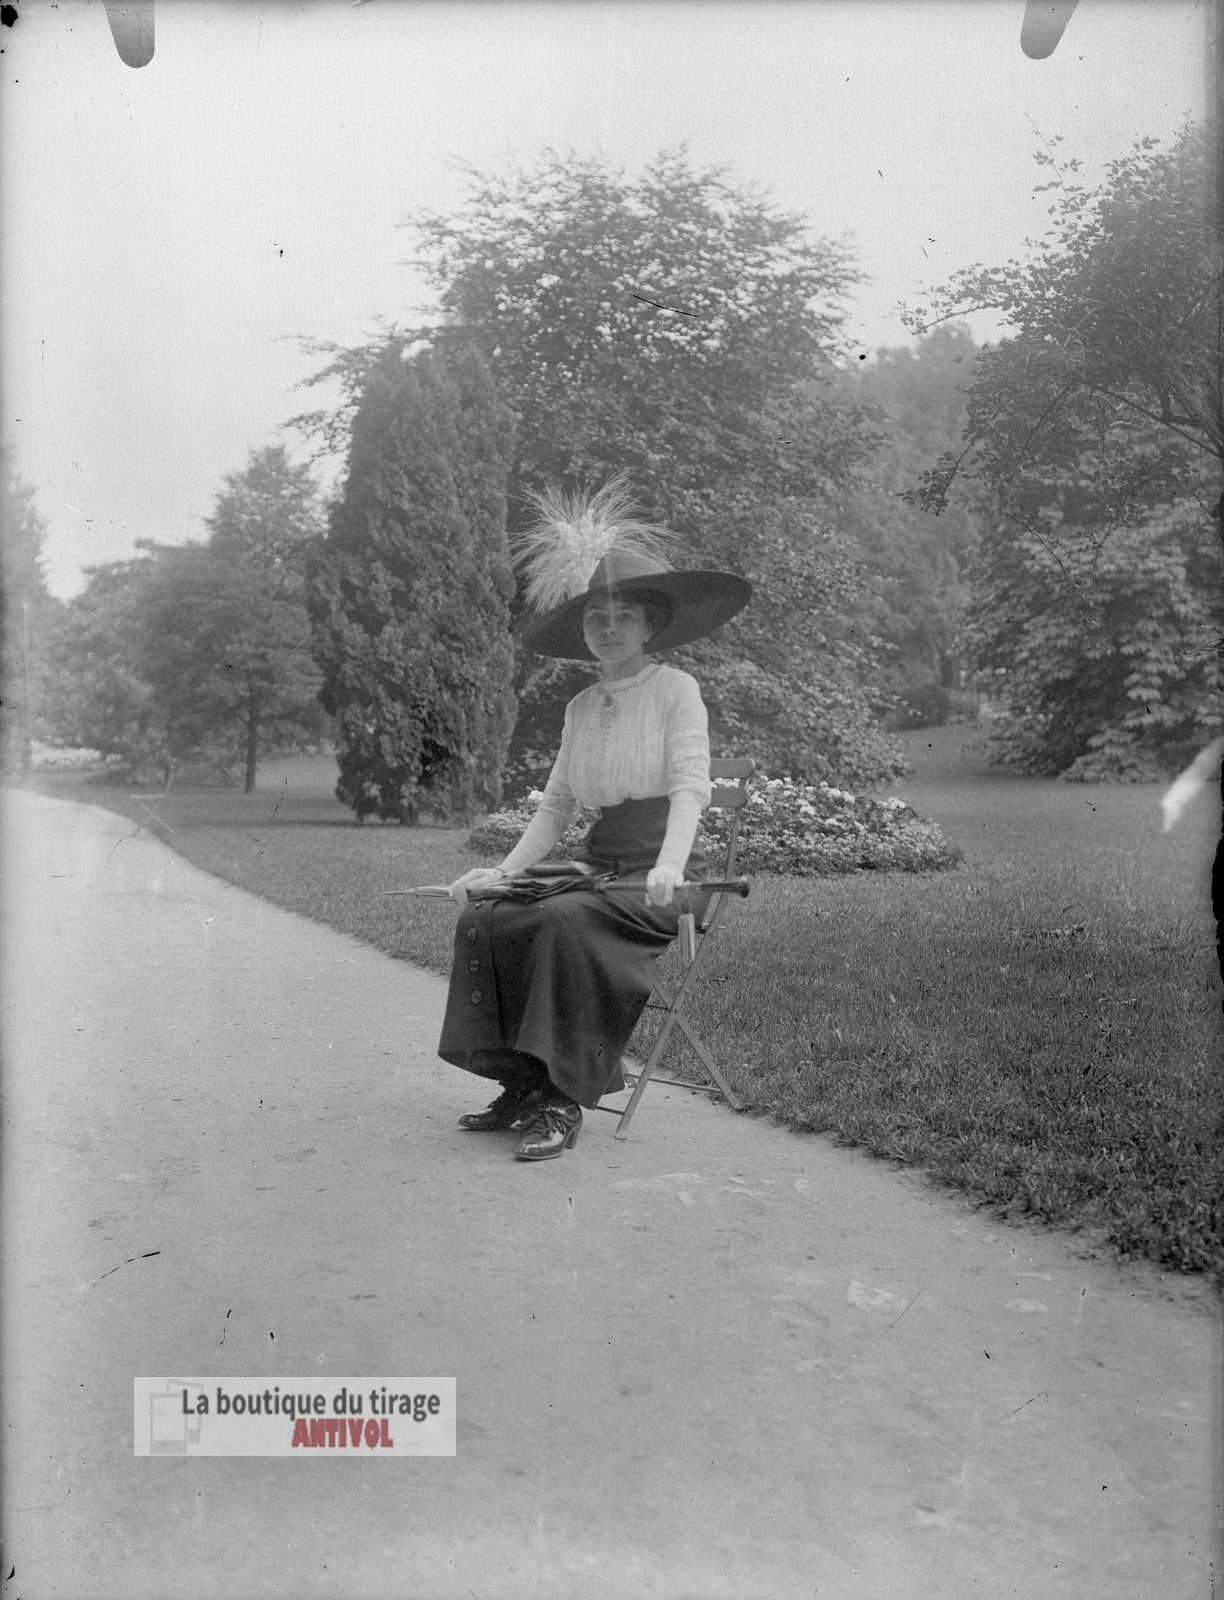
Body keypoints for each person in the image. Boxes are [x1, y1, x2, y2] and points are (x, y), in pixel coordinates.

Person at [437, 483, 751, 1161]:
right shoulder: (580, 707)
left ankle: (561, 1097)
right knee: (487, 915)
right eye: (595, 617)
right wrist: (502, 871)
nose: (608, 628)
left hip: (659, 882)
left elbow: (690, 790)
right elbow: (556, 806)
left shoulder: (676, 691)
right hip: (598, 868)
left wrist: (670, 865)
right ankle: (522, 1082)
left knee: (559, 921)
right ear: (582, 631)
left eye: (623, 616)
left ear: (650, 626)